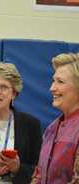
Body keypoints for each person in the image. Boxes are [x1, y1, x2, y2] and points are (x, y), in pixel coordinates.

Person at [31, 52, 79, 184]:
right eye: (53, 80)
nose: (52, 88)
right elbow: (39, 175)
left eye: (60, 82)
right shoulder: (51, 129)